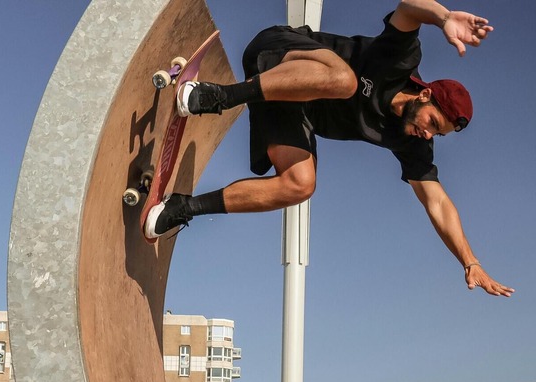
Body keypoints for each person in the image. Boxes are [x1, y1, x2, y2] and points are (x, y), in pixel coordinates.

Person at [144, 0, 513, 299]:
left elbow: (438, 202)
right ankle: (217, 96)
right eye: (432, 122)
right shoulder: (398, 62)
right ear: (425, 94)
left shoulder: (409, 141)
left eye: (438, 135)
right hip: (278, 54)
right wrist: (445, 17)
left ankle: (181, 207)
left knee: (300, 185)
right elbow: (408, 8)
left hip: (288, 107)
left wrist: (470, 262)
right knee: (346, 81)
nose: (427, 135)